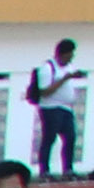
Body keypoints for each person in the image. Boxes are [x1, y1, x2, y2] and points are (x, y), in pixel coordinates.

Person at [27, 38, 82, 180]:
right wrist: (64, 79)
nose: (71, 57)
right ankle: (44, 170)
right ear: (61, 54)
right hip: (50, 108)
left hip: (66, 108)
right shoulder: (47, 68)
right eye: (69, 54)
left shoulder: (68, 67)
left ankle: (68, 169)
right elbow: (44, 91)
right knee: (49, 139)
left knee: (70, 138)